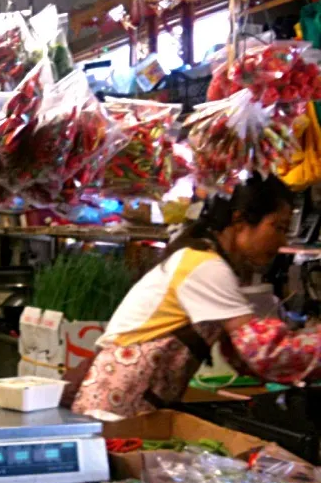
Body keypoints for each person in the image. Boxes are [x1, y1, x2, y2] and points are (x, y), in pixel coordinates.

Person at [72, 173, 321, 420]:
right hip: (118, 405)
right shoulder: (206, 266)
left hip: (129, 402)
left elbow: (241, 355)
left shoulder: (205, 259)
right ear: (240, 221)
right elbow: (262, 352)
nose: (281, 240)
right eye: (277, 227)